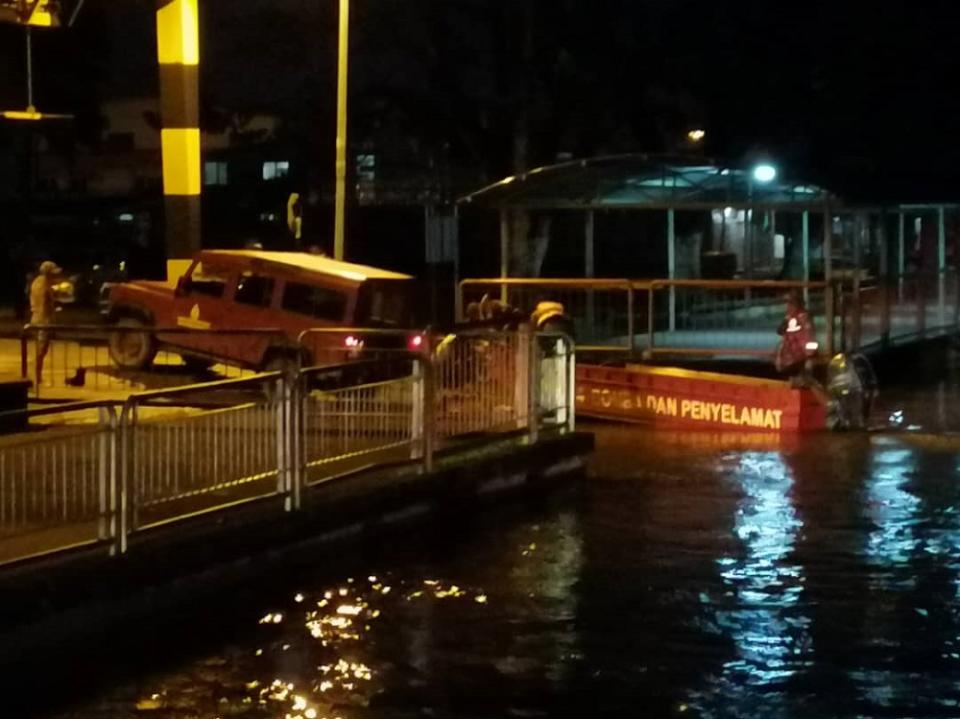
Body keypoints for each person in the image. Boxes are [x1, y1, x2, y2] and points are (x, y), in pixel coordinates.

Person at [29, 260, 61, 385]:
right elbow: (43, 304)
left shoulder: (37, 281)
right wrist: (48, 322)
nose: (55, 276)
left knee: (40, 350)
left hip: (37, 317)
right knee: (40, 351)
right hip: (42, 320)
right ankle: (36, 377)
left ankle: (37, 376)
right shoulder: (43, 284)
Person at [774, 289, 815, 376]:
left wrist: (809, 357)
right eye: (787, 303)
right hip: (790, 356)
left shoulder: (803, 317)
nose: (787, 306)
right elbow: (780, 331)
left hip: (800, 356)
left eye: (790, 303)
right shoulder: (789, 317)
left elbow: (809, 337)